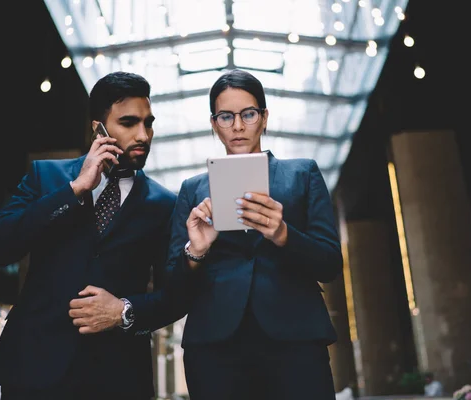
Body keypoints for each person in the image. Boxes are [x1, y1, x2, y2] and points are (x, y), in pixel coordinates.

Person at [126, 69, 342, 399]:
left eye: (248, 114)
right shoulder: (192, 191)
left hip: (296, 342)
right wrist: (195, 252)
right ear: (214, 124)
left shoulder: (303, 174)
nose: (238, 126)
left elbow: (329, 264)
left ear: (264, 117)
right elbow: (171, 285)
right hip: (215, 350)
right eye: (226, 117)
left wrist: (284, 234)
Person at [0, 71, 179, 400]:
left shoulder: (165, 204)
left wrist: (124, 310)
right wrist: (73, 191)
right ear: (97, 127)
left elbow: (173, 294)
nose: (143, 135)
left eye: (148, 122)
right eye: (129, 122)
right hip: (34, 370)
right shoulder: (46, 176)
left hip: (118, 376)